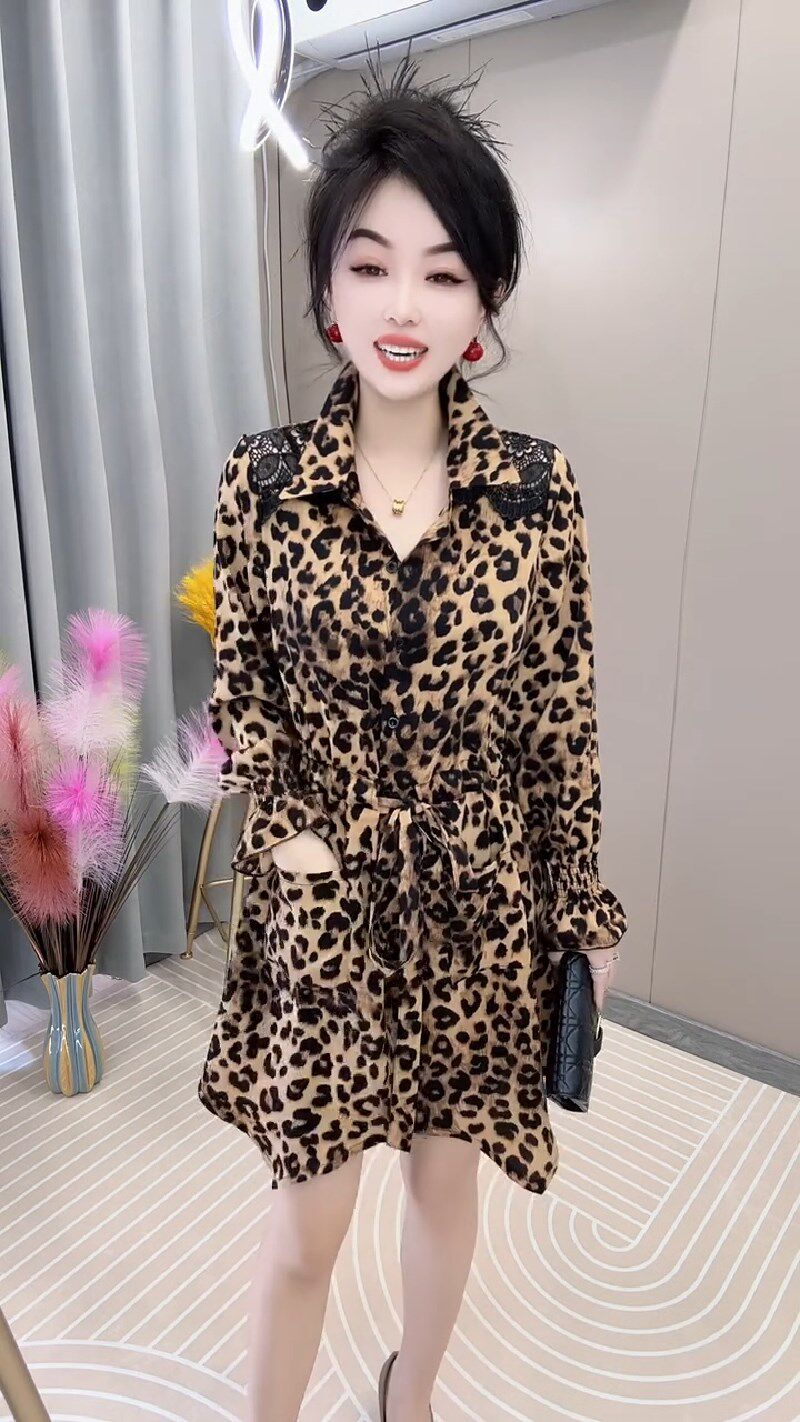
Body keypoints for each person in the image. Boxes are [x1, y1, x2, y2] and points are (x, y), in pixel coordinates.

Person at [197, 47, 628, 1422]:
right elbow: (246, 696)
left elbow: (560, 717)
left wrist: (582, 910)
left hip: (479, 903)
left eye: (443, 273)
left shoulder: (538, 493)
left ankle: (413, 1396)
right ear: (326, 289)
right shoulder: (262, 484)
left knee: (447, 1193)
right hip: (326, 905)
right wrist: (294, 844)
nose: (403, 305)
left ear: (483, 300)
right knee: (304, 1227)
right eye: (370, 264)